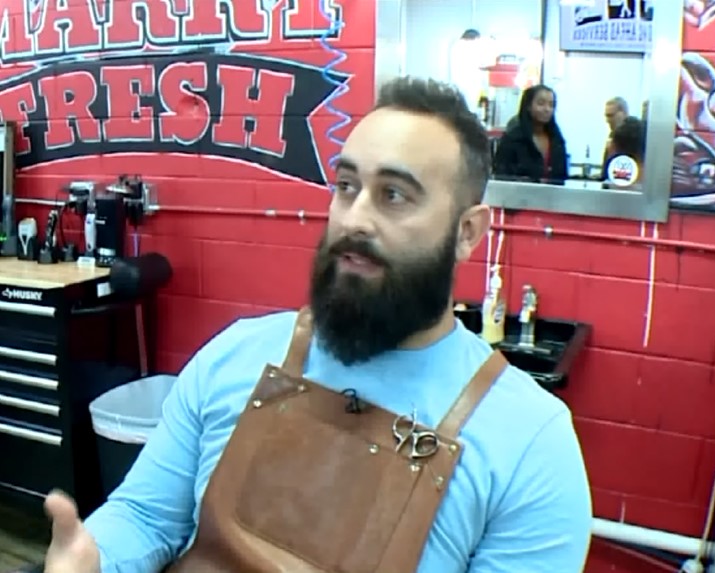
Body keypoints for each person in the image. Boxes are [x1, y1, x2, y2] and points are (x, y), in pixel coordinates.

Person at [42, 77, 592, 573]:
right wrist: (97, 559)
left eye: (394, 195)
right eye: (347, 187)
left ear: (468, 232)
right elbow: (144, 516)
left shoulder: (529, 443)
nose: (354, 219)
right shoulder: (233, 356)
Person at [493, 84, 569, 184]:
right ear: (528, 106)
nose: (547, 109)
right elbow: (501, 175)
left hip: (552, 197)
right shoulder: (513, 139)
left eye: (551, 105)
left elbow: (562, 176)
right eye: (541, 104)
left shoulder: (557, 140)